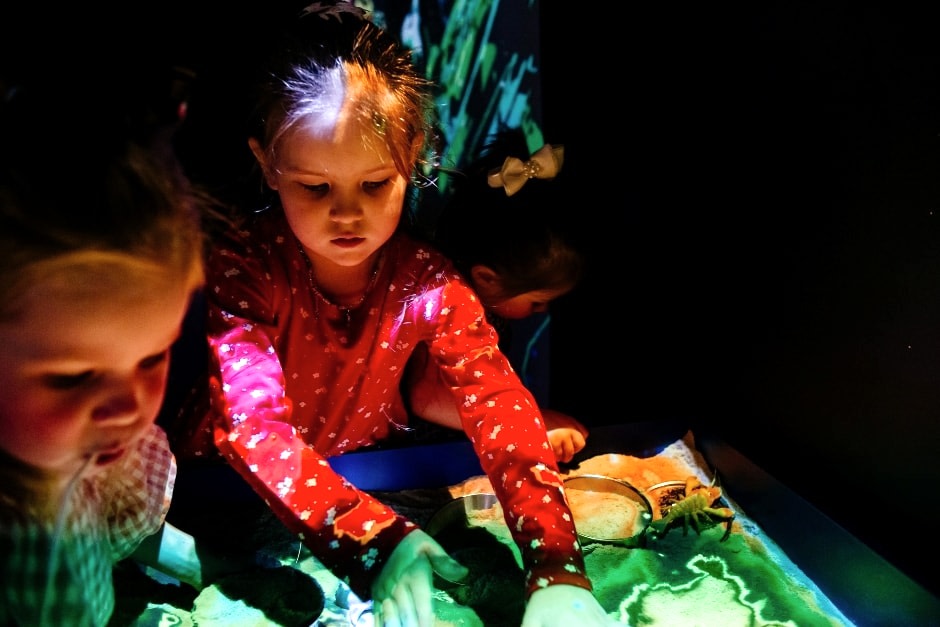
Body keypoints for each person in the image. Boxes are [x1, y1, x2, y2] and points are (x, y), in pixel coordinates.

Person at [170, 3, 617, 626]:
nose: (346, 213)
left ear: (412, 156)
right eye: (315, 187)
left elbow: (498, 407)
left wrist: (557, 566)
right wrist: (374, 536)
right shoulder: (246, 267)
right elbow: (255, 430)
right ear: (268, 163)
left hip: (367, 472)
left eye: (375, 184)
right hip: (225, 491)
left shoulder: (429, 282)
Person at [0, 64, 232, 625]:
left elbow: (114, 519)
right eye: (73, 376)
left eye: (152, 357)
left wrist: (218, 569)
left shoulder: (83, 438)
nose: (130, 406)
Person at [404, 129, 590, 463]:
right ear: (486, 279)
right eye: (536, 301)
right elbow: (426, 396)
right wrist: (528, 423)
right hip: (422, 456)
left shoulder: (485, 303)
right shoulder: (444, 304)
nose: (542, 310)